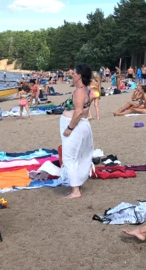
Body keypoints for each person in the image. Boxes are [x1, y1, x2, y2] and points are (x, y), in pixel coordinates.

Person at [60, 63, 94, 199]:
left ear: (79, 75)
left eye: (74, 74)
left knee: (69, 157)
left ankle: (75, 190)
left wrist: (69, 128)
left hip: (76, 126)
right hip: (81, 125)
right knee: (79, 155)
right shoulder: (86, 89)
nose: (72, 76)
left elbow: (79, 112)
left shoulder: (80, 91)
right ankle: (77, 185)